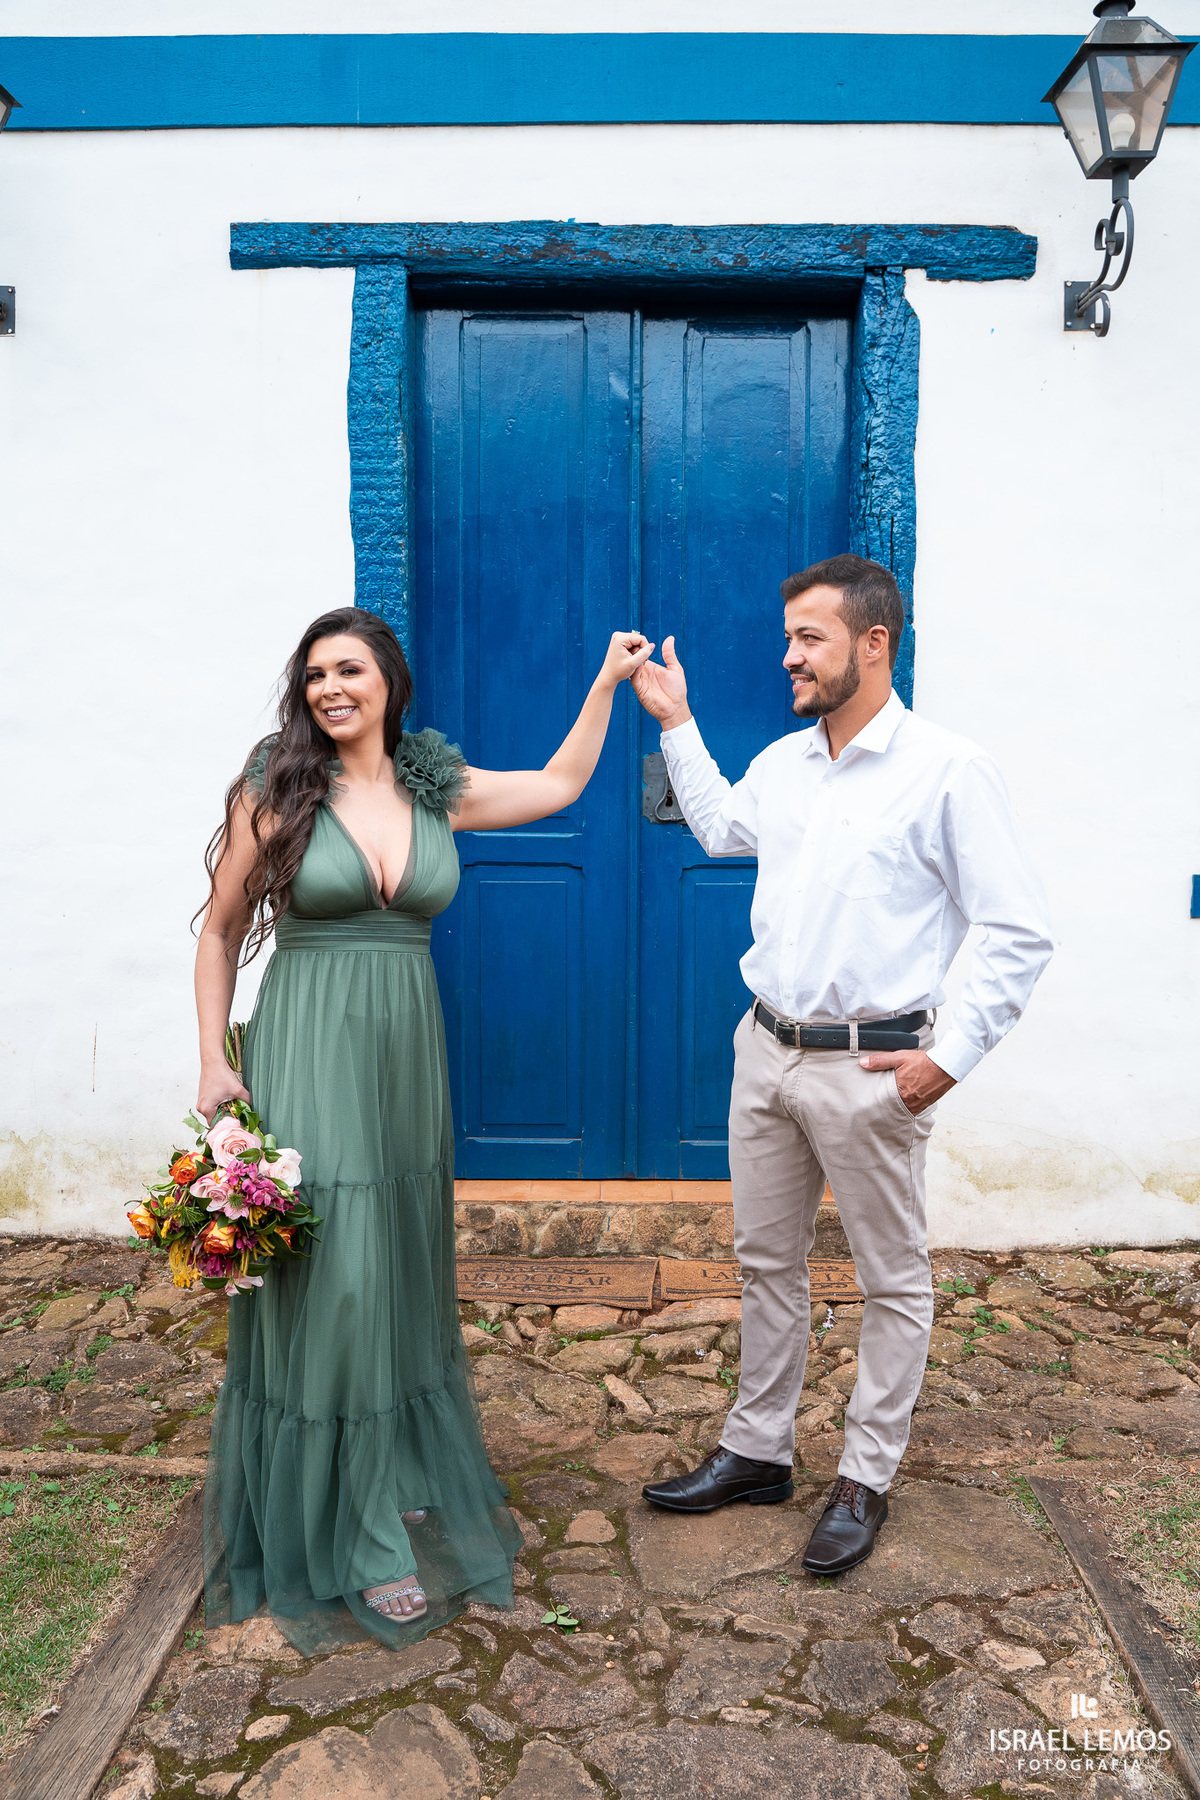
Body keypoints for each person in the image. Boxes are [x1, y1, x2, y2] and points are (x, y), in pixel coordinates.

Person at [195, 606, 651, 1649]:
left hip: (404, 1057)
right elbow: (220, 934)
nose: (330, 689)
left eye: (349, 669)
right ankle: (358, 1537)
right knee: (340, 1274)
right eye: (315, 674)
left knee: (396, 1268)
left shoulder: (433, 790)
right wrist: (218, 1057)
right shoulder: (276, 791)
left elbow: (560, 785)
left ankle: (386, 1471)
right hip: (309, 1049)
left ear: (388, 681)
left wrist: (604, 684)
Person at [630, 554, 1052, 1574]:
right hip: (765, 1052)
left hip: (874, 1070)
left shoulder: (949, 770)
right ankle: (758, 1450)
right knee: (765, 1263)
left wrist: (942, 1062)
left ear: (874, 643)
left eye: (808, 638)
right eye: (789, 639)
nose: (788, 657)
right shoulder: (786, 763)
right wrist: (676, 723)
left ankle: (865, 1475)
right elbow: (726, 826)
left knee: (891, 1280)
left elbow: (1016, 931)